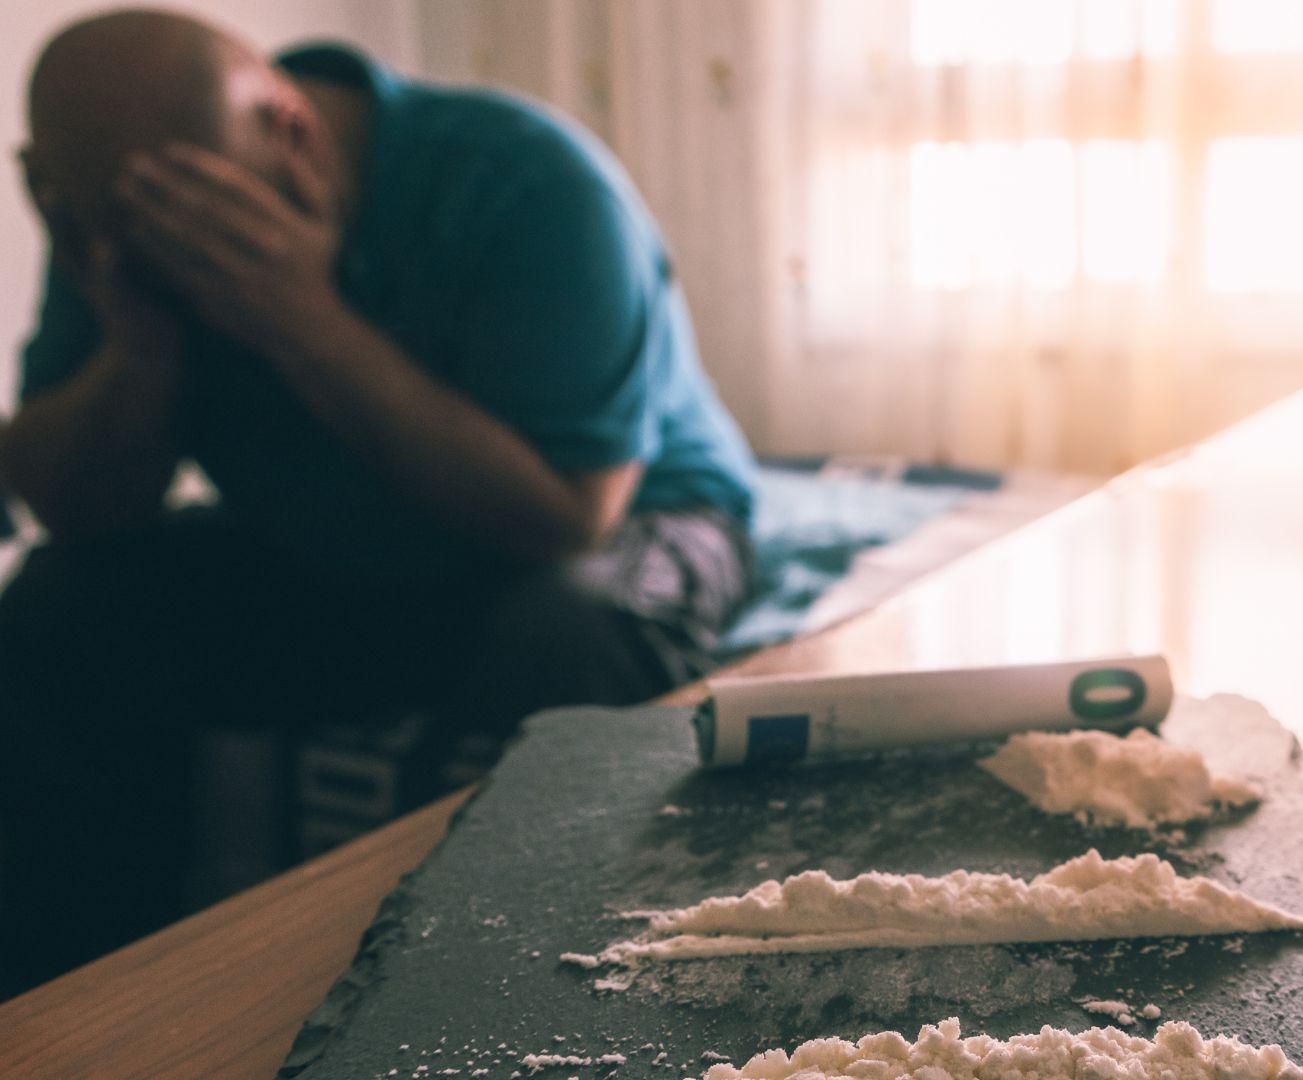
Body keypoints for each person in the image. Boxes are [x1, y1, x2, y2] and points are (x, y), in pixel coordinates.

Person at [0, 9, 757, 995]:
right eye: (153, 242)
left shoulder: (532, 182)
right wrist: (140, 343)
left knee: (567, 634)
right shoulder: (123, 216)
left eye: (210, 234)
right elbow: (84, 513)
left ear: (294, 134)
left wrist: (301, 317)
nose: (185, 257)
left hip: (616, 517)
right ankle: (75, 1010)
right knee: (60, 603)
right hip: (340, 546)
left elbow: (566, 516)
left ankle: (549, 1004)